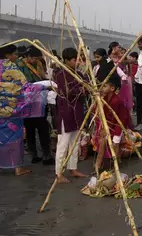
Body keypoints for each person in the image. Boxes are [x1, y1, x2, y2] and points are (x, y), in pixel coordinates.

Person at [0, 44, 52, 176]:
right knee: (14, 139)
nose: (17, 56)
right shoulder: (11, 68)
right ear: (8, 56)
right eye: (15, 54)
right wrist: (44, 87)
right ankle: (18, 168)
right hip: (9, 112)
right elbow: (23, 88)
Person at [53, 47, 88, 183]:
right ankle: (58, 173)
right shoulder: (60, 74)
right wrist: (81, 89)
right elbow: (66, 91)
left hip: (77, 112)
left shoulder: (78, 73)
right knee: (63, 144)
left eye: (78, 59)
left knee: (75, 142)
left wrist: (86, 86)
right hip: (65, 112)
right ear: (67, 60)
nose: (77, 62)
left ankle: (73, 168)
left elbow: (88, 83)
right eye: (74, 60)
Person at [17, 46, 54, 165]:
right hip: (27, 103)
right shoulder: (20, 66)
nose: (34, 60)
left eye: (36, 58)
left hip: (40, 102)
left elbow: (44, 76)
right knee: (30, 130)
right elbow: (22, 84)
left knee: (43, 129)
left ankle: (46, 156)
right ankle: (34, 155)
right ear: (27, 56)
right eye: (32, 58)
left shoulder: (39, 63)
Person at [94, 68, 129, 173]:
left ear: (112, 88)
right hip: (108, 124)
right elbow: (102, 114)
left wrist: (111, 130)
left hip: (119, 124)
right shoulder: (104, 99)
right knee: (102, 142)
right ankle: (98, 166)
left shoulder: (116, 101)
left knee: (115, 143)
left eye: (104, 86)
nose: (102, 88)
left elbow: (119, 119)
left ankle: (116, 163)